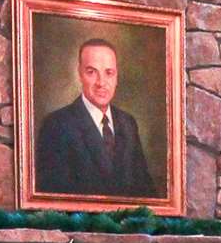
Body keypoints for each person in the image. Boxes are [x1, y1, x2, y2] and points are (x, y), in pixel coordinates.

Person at [33, 33, 163, 199]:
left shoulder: (128, 123)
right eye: (92, 72)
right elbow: (51, 199)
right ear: (80, 74)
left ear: (117, 77)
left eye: (109, 73)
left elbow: (146, 191)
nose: (101, 82)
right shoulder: (56, 125)